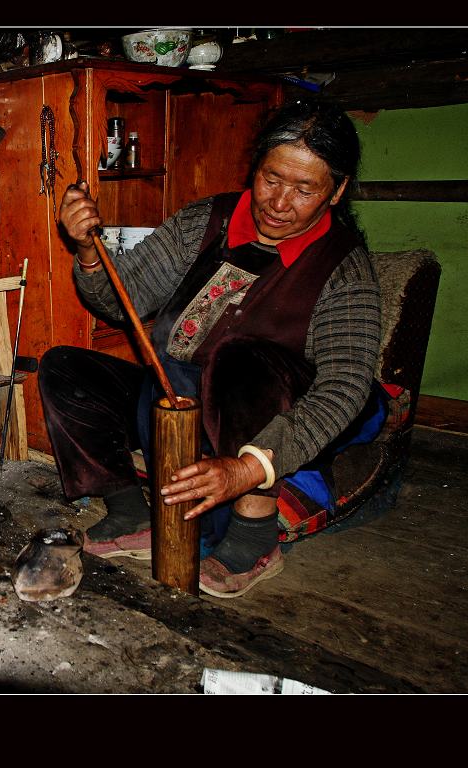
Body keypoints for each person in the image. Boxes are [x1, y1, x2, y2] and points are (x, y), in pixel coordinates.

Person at [39, 99, 383, 598]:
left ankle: (254, 535)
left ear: (337, 191)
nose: (279, 202)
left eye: (305, 189)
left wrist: (246, 469)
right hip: (178, 399)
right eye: (271, 178)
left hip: (268, 420)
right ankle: (133, 510)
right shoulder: (208, 220)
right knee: (65, 368)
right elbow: (125, 299)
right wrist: (90, 251)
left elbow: (344, 387)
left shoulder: (343, 267)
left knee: (237, 358)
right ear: (256, 166)